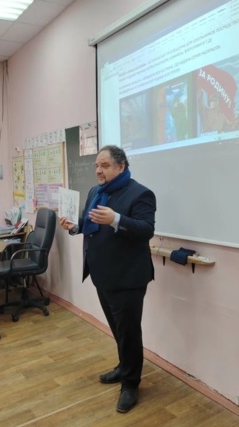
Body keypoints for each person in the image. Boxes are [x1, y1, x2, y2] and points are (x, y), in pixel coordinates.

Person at [59, 145, 156, 413]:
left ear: (121, 166)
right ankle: (124, 367)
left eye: (105, 165)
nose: (98, 171)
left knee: (129, 332)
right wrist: (75, 226)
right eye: (96, 166)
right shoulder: (96, 192)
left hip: (128, 277)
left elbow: (146, 230)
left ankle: (131, 384)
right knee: (118, 329)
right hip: (102, 274)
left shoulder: (141, 193)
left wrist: (116, 219)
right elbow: (91, 223)